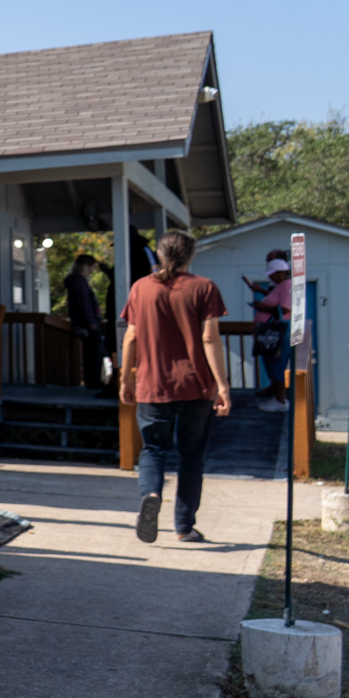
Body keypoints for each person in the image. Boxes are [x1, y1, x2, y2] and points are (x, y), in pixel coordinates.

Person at [121, 230, 231, 544]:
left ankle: (151, 494)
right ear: (190, 255)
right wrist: (222, 386)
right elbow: (209, 338)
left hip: (153, 385)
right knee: (192, 456)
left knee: (153, 450)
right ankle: (184, 527)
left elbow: (130, 337)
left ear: (158, 254)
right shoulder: (204, 288)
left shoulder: (141, 288)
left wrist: (124, 379)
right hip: (197, 387)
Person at [249, 257, 292, 406]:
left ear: (281, 274)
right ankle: (274, 392)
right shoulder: (280, 286)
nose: (270, 277)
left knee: (277, 364)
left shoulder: (287, 285)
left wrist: (262, 308)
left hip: (278, 332)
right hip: (270, 333)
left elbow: (285, 309)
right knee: (270, 362)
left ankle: (280, 401)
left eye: (272, 274)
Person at [65, 254, 108, 390]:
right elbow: (84, 302)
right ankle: (94, 381)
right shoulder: (79, 281)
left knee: (92, 352)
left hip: (83, 322)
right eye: (92, 267)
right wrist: (91, 321)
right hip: (87, 323)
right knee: (94, 353)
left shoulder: (76, 280)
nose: (92, 270)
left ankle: (93, 380)